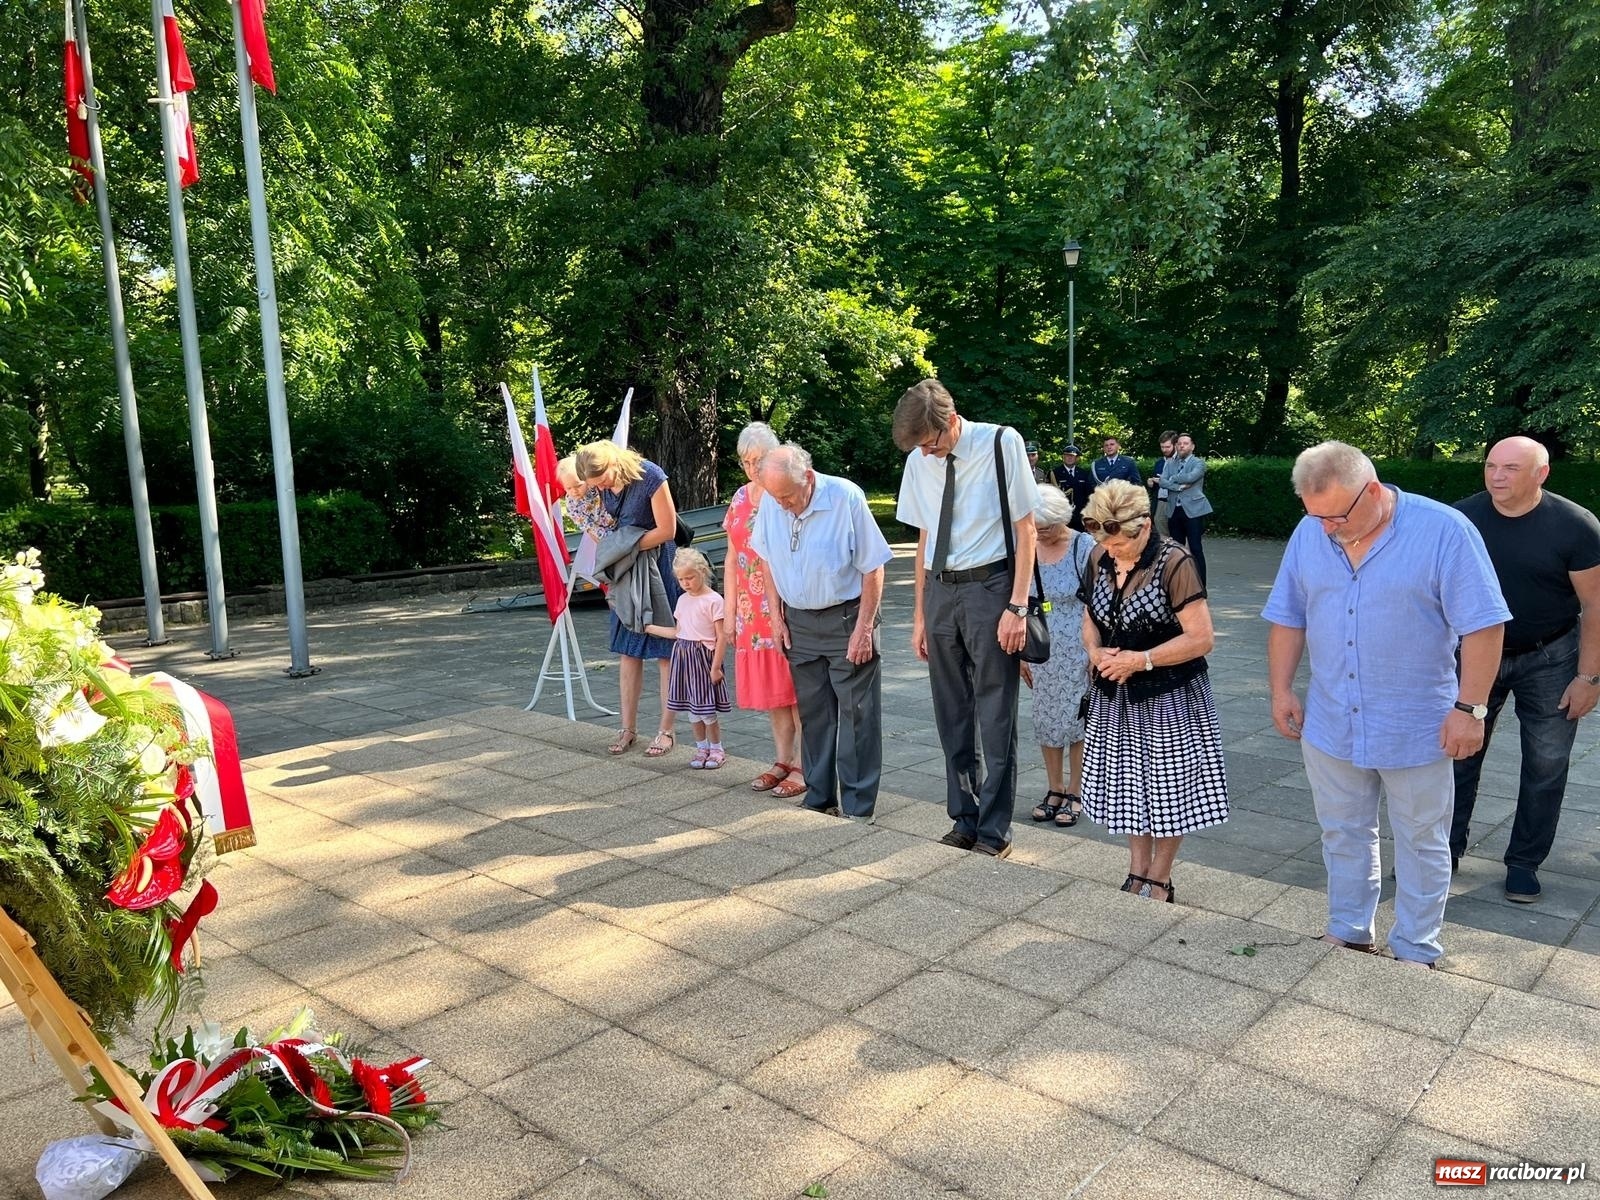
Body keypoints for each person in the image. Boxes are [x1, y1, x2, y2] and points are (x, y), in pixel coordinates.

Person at [1263, 441, 1508, 968]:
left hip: (1416, 722)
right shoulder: (1312, 530)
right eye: (1316, 516)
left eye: (1336, 516)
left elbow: (1484, 625)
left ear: (1372, 492)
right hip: (1332, 718)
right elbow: (1288, 615)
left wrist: (1471, 709)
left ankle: (1416, 948)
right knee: (1343, 831)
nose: (1327, 528)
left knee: (1422, 839)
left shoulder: (1444, 531)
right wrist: (1281, 689)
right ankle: (1349, 929)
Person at [1450, 436, 1600, 902]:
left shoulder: (1575, 526)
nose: (1496, 476)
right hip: (1475, 655)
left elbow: (1595, 605)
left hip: (1550, 656)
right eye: (1491, 465)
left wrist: (1589, 677)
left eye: (1511, 468)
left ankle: (1524, 863)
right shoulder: (1461, 520)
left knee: (1546, 764)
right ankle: (1442, 852)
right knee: (1456, 755)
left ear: (1541, 473)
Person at [894, 378, 1040, 857]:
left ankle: (995, 831)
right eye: (919, 447)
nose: (927, 454)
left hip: (991, 589)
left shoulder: (1002, 442)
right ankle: (964, 817)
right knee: (950, 710)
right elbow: (924, 537)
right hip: (940, 590)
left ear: (952, 421)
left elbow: (1026, 529)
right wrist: (919, 614)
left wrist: (1017, 606)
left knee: (996, 713)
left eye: (931, 444)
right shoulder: (919, 460)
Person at [1077, 480, 1227, 901]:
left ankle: (1160, 877)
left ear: (1144, 526)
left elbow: (1202, 638)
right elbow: (1089, 616)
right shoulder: (1099, 555)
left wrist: (1141, 660)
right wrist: (1095, 651)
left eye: (1119, 544)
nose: (1111, 552)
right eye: (1105, 544)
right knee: (1129, 788)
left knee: (1169, 790)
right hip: (1116, 695)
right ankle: (1137, 870)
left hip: (1169, 696)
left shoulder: (1175, 562)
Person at [752, 443, 893, 821]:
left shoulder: (845, 497)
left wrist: (864, 628)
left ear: (809, 478)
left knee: (857, 716)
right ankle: (818, 798)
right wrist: (776, 618)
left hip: (847, 619)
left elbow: (874, 567)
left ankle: (858, 808)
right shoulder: (772, 502)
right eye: (775, 497)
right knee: (814, 715)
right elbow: (766, 561)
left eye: (787, 496)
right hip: (797, 621)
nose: (782, 505)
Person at [574, 440, 682, 759]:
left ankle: (666, 731)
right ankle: (627, 729)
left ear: (613, 463)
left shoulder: (650, 476)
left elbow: (667, 529)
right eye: (595, 484)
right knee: (628, 650)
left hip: (659, 566)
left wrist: (622, 545)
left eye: (603, 481)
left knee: (666, 651)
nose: (601, 488)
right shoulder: (599, 484)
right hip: (627, 572)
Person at [723, 423, 806, 798]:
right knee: (775, 692)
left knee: (796, 689)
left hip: (783, 605)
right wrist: (729, 611)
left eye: (758, 459)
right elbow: (731, 557)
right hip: (750, 612)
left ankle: (805, 764)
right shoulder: (740, 498)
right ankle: (782, 759)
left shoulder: (783, 494)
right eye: (745, 461)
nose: (752, 467)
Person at [1023, 484, 1095, 828]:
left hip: (1080, 644)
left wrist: (1096, 651)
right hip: (1041, 646)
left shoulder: (1085, 546)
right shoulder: (1027, 545)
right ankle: (1055, 788)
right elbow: (1020, 601)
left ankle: (1076, 792)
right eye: (1035, 528)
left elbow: (1099, 601)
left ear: (1063, 518)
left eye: (1046, 528)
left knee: (1078, 719)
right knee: (1046, 718)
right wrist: (1021, 654)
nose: (1041, 534)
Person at [644, 549, 732, 769]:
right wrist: (650, 628)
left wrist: (716, 667)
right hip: (683, 658)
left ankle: (716, 749)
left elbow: (722, 636)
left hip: (703, 659)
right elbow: (678, 632)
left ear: (702, 572)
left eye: (690, 577)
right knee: (693, 712)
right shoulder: (682, 600)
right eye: (681, 579)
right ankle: (701, 748)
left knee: (706, 711)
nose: (685, 583)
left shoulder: (714, 600)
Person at [1165, 433, 1213, 584]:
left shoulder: (1199, 463)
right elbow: (1162, 482)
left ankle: (1201, 584)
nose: (1182, 446)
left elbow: (1192, 477)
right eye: (1179, 443)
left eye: (1185, 443)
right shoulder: (1169, 463)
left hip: (1193, 511)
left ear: (1192, 446)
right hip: (1174, 510)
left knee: (1195, 548)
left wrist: (1173, 478)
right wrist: (1178, 486)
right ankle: (1178, 584)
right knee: (1176, 550)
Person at [1052, 445, 1094, 531]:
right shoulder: (1055, 473)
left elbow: (1089, 495)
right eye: (1067, 455)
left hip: (1080, 516)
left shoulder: (1083, 473)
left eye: (1072, 456)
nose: (1069, 458)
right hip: (1063, 516)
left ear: (1077, 458)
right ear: (1063, 457)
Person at [1146, 431, 1177, 540]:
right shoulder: (1159, 463)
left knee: (1177, 530)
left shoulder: (1181, 461)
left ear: (1175, 445)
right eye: (1162, 447)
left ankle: (1179, 548)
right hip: (1161, 501)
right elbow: (1156, 482)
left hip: (1176, 500)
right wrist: (1151, 483)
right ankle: (1166, 547)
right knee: (1158, 523)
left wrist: (1164, 481)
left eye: (1167, 447)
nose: (1164, 450)